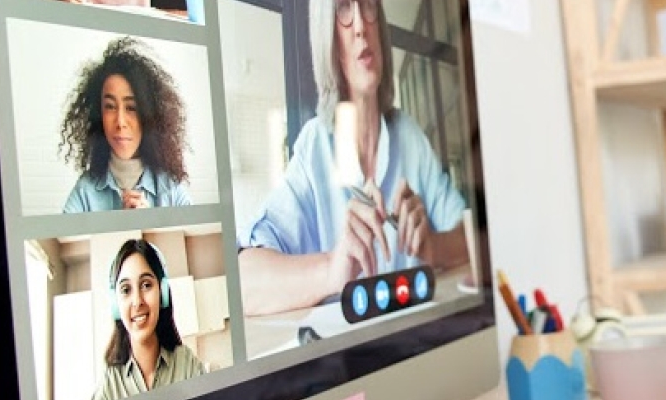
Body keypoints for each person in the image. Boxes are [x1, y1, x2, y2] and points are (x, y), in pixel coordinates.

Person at [237, 0, 470, 316]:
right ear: (327, 37)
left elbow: (470, 239)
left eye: (369, 5)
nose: (361, 25)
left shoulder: (409, 137)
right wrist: (332, 268)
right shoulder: (316, 144)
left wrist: (432, 247)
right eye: (344, 9)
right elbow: (244, 284)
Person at [59, 36, 192, 213]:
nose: (120, 122)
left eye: (131, 108)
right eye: (110, 107)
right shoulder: (85, 192)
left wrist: (151, 225)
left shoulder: (171, 190)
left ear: (148, 116)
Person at [94, 239, 205, 400]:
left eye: (146, 285)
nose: (137, 301)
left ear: (163, 293)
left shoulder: (186, 364)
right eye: (126, 289)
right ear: (115, 304)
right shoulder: (110, 382)